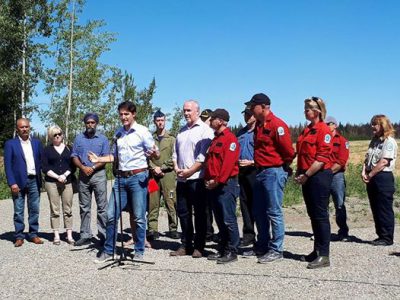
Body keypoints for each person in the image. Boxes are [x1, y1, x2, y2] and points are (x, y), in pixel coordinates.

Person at [90, 101, 159, 262]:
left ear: (133, 114)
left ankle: (139, 251)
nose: (123, 117)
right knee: (110, 215)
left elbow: (155, 154)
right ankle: (109, 250)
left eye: (126, 114)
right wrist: (98, 158)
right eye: (121, 114)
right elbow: (115, 157)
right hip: (120, 178)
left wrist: (154, 153)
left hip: (138, 177)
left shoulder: (143, 131)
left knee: (139, 217)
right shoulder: (118, 134)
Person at [247, 93, 295, 264]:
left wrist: (282, 167)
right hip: (260, 172)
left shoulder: (277, 125)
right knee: (259, 211)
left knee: (274, 211)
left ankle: (276, 249)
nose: (251, 109)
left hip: (273, 172)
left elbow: (288, 151)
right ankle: (262, 245)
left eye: (253, 106)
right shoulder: (259, 125)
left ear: (264, 106)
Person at [170, 100, 214, 258]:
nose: (186, 113)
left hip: (197, 179)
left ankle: (199, 246)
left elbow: (203, 156)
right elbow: (175, 153)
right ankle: (186, 244)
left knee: (200, 214)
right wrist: (176, 168)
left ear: (197, 111)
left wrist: (190, 171)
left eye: (189, 110)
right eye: (184, 111)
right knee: (183, 212)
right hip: (182, 179)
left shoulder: (205, 130)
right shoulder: (181, 131)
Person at [295, 96, 333, 269]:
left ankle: (324, 255)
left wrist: (307, 175)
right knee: (313, 215)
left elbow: (321, 158)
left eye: (308, 108)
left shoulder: (323, 130)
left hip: (318, 176)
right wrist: (299, 173)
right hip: (307, 175)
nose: (305, 111)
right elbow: (303, 154)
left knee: (320, 215)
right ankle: (316, 250)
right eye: (304, 108)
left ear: (317, 111)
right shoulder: (306, 130)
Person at [204, 109, 241, 264]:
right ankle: (223, 248)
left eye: (212, 119)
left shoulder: (230, 139)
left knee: (228, 218)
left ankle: (232, 250)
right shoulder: (215, 139)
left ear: (220, 121)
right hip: (214, 184)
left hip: (226, 184)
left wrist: (217, 181)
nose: (210, 121)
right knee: (219, 218)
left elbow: (227, 165)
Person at [4, 118, 44, 247]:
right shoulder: (11, 144)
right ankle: (19, 236)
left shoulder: (37, 143)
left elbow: (42, 161)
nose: (24, 129)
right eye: (22, 127)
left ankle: (33, 234)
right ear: (17, 129)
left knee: (34, 209)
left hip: (34, 180)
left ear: (29, 128)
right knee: (18, 210)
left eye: (26, 127)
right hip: (18, 182)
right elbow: (8, 165)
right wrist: (12, 183)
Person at [71, 113, 109, 247]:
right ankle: (85, 235)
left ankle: (104, 235)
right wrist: (82, 167)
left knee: (102, 207)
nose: (90, 125)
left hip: (98, 175)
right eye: (88, 122)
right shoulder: (78, 139)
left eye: (93, 122)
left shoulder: (103, 139)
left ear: (96, 123)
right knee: (84, 207)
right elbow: (74, 156)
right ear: (85, 124)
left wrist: (92, 167)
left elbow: (105, 158)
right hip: (83, 176)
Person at [362, 114, 397, 246]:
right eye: (372, 124)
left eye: (375, 124)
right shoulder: (374, 141)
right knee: (375, 206)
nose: (372, 127)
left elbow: (383, 162)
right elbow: (367, 158)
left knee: (384, 208)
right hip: (372, 176)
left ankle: (387, 237)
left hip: (383, 177)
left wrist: (370, 175)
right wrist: (364, 171)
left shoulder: (389, 142)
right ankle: (380, 235)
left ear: (382, 125)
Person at [148, 110, 179, 240]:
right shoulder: (150, 138)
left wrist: (163, 167)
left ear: (165, 121)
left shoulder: (172, 139)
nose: (160, 123)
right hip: (153, 177)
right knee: (153, 203)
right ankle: (152, 229)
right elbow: (146, 156)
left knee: (170, 201)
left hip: (168, 176)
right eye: (158, 120)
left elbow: (175, 157)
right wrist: (154, 168)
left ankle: (173, 228)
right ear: (154, 121)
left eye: (162, 120)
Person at [42, 125, 75, 245]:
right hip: (51, 182)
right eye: (54, 135)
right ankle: (56, 235)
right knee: (54, 209)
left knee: (68, 209)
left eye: (59, 134)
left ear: (62, 135)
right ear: (50, 137)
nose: (57, 137)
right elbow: (44, 167)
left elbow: (73, 165)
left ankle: (69, 235)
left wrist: (65, 175)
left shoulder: (69, 148)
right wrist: (57, 177)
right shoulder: (46, 150)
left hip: (67, 181)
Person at [325, 116, 350, 241]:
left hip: (336, 176)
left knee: (339, 204)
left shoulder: (342, 141)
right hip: (323, 175)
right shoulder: (323, 139)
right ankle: (323, 233)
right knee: (323, 205)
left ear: (335, 125)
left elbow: (341, 161)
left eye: (328, 124)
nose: (326, 126)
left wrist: (328, 172)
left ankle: (343, 231)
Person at [236, 106, 257, 247]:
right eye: (246, 114)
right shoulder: (241, 133)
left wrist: (253, 162)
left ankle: (263, 237)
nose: (247, 116)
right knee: (244, 204)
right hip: (242, 172)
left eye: (250, 114)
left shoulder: (259, 131)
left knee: (258, 205)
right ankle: (248, 235)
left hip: (255, 171)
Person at [200, 108, 216, 242]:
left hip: (212, 175)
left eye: (206, 119)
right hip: (202, 175)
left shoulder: (212, 134)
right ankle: (207, 231)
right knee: (204, 206)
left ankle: (214, 233)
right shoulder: (201, 132)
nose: (204, 122)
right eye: (202, 119)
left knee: (214, 206)